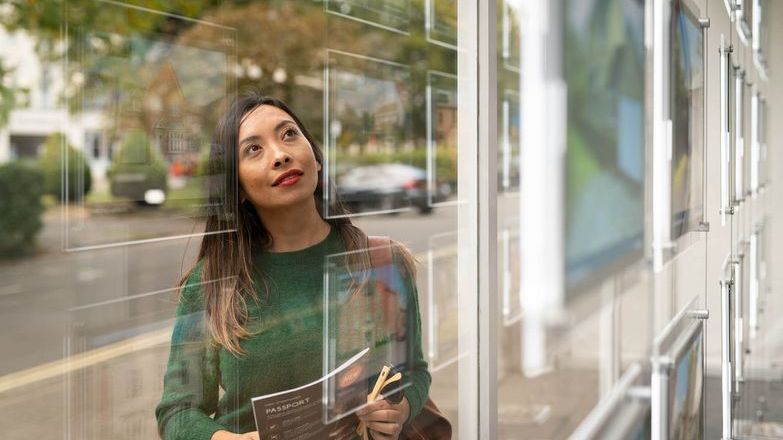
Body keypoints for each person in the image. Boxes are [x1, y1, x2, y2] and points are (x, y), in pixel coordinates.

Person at [155, 93, 431, 440]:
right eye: (253, 149)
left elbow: (415, 372)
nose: (280, 154)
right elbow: (177, 411)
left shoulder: (383, 263)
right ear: (237, 188)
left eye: (288, 134)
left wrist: (401, 410)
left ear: (315, 158)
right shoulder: (213, 283)